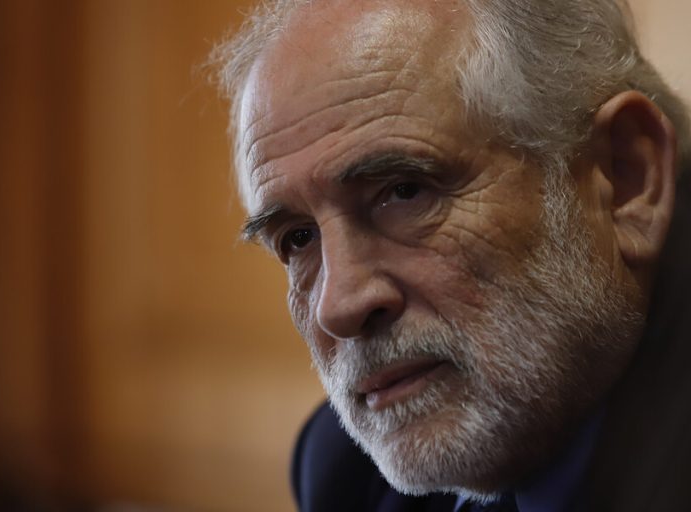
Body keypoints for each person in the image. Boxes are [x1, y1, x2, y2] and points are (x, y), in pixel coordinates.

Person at [209, 0, 691, 510]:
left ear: (624, 180)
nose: (339, 306)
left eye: (404, 191)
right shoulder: (349, 478)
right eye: (298, 238)